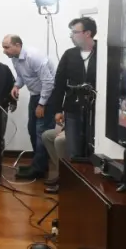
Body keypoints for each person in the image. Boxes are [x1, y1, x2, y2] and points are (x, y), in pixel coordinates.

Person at [45, 17, 99, 193]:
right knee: (73, 149)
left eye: (75, 32)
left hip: (96, 113)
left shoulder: (103, 52)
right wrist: (57, 110)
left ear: (87, 33)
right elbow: (59, 84)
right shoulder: (69, 55)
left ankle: (93, 188)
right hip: (73, 111)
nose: (71, 36)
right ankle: (73, 188)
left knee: (94, 149)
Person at [2, 34, 55, 180]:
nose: (4, 51)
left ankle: (38, 169)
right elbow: (21, 76)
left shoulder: (34, 57)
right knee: (32, 129)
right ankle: (39, 165)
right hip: (35, 95)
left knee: (41, 133)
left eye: (7, 47)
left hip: (47, 97)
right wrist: (16, 85)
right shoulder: (15, 58)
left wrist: (42, 104)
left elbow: (49, 82)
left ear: (17, 45)